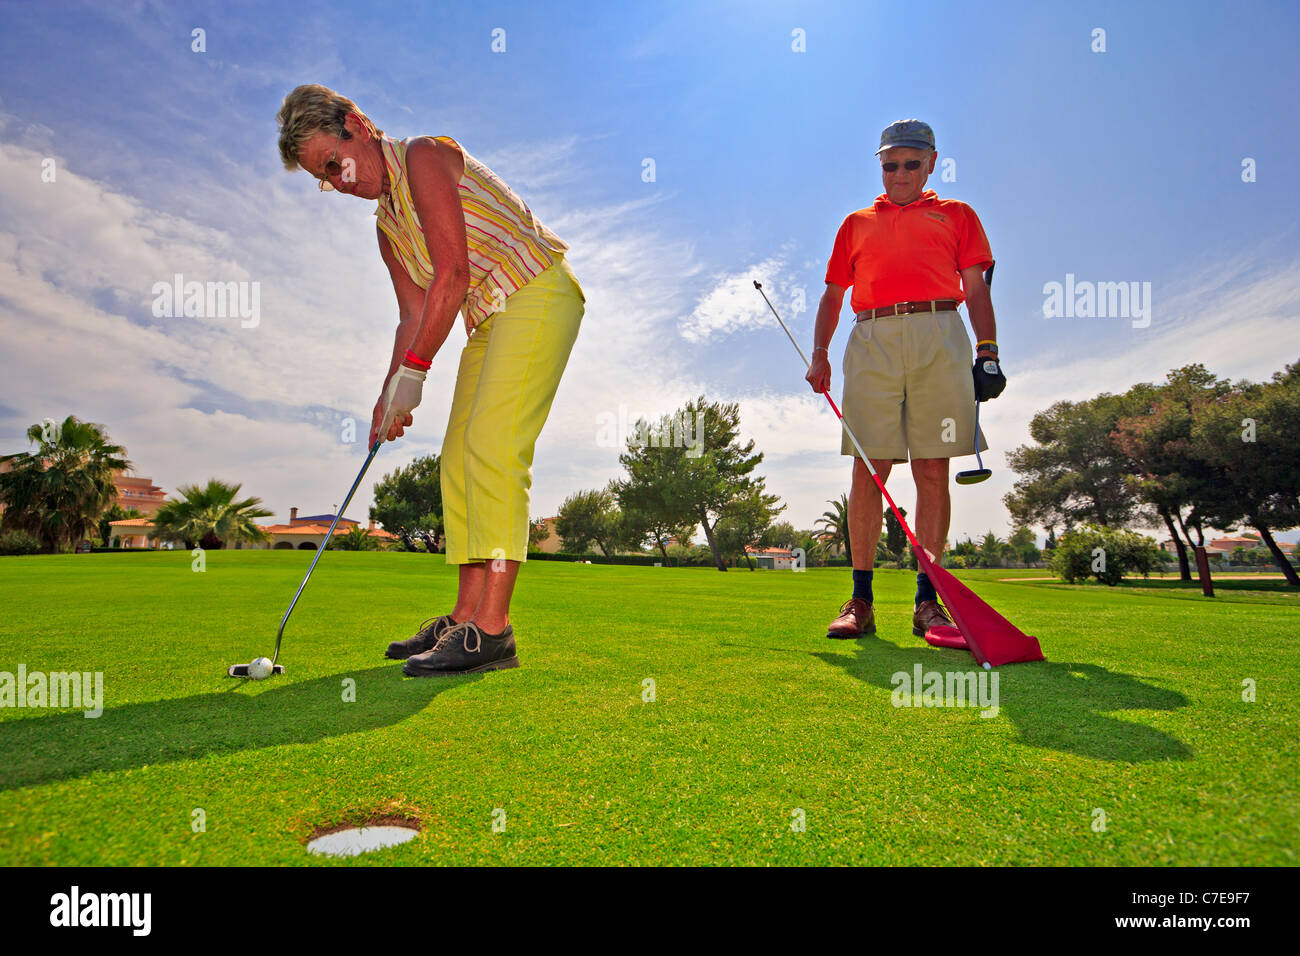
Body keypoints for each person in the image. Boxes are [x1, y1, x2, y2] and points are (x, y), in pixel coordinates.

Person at [276, 84, 585, 676]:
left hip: (537, 289)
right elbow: (413, 315)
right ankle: (466, 617)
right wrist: (388, 393)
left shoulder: (423, 155)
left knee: (493, 450)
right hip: (489, 316)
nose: (337, 182)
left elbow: (454, 272)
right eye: (323, 178)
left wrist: (416, 371)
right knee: (457, 459)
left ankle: (493, 632)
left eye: (333, 164)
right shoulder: (385, 227)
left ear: (357, 124)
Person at [805, 119, 1005, 641]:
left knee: (932, 470)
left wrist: (988, 352)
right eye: (889, 164)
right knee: (871, 470)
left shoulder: (957, 215)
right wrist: (819, 353)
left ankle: (927, 601)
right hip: (871, 339)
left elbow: (977, 288)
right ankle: (861, 600)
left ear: (931, 163)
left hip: (940, 333)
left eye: (910, 164)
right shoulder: (855, 222)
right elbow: (832, 295)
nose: (899, 174)